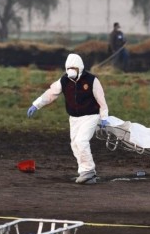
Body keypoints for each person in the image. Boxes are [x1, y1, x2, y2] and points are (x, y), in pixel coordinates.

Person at [27, 53, 109, 184]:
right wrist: (36, 105)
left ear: (80, 68)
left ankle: (88, 170)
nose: (71, 71)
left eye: (74, 68)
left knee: (82, 141)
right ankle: (85, 171)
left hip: (90, 116)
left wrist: (104, 117)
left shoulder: (92, 80)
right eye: (69, 68)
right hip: (74, 118)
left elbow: (101, 100)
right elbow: (50, 94)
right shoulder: (63, 80)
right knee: (75, 144)